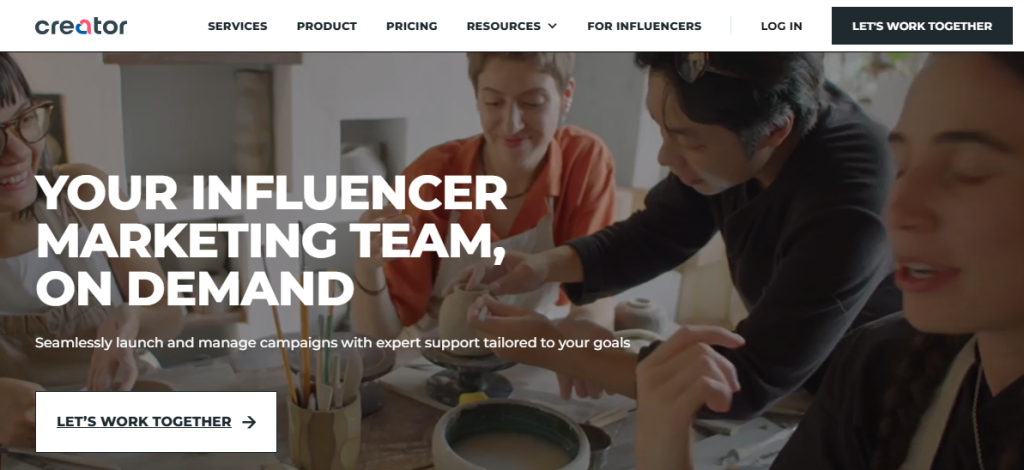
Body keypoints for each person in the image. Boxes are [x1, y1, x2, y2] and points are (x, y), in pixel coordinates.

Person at [453, 52, 904, 419]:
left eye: (689, 141)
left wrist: (555, 348)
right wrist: (540, 266)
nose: (666, 157)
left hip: (880, 400)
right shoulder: (742, 105)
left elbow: (739, 385)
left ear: (775, 131)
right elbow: (655, 234)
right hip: (788, 379)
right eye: (661, 129)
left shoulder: (851, 197)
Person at [633, 51, 1024, 470]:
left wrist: (583, 349)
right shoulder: (879, 368)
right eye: (904, 167)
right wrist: (664, 442)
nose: (898, 210)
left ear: (774, 131)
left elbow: (747, 379)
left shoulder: (841, 182)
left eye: (969, 171)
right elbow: (642, 240)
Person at [349, 52, 618, 396]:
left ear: (566, 96)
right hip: (434, 366)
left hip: (535, 355)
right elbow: (379, 338)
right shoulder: (433, 177)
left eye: (532, 103)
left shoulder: (583, 161)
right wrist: (367, 267)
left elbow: (595, 292)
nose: (512, 124)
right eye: (494, 102)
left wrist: (584, 336)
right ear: (477, 98)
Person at [0, 53, 184, 448]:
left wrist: (133, 318)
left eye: (23, 120)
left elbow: (170, 315)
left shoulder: (84, 192)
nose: (18, 152)